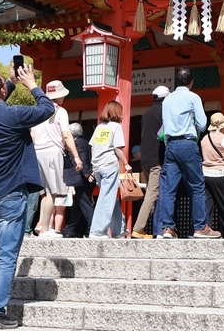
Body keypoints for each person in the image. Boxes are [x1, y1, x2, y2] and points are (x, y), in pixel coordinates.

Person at [0, 64, 56, 331]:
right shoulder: (14, 115)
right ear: (2, 91)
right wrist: (32, 84)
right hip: (10, 192)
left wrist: (10, 82)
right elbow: (47, 108)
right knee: (6, 255)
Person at [157, 66, 219, 239]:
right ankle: (200, 227)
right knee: (197, 186)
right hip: (187, 143)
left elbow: (165, 124)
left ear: (176, 81)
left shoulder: (167, 100)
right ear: (191, 81)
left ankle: (168, 228)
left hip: (170, 145)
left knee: (169, 189)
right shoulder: (193, 97)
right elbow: (202, 125)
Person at [31, 80, 83, 238]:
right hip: (53, 152)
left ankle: (42, 224)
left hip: (37, 152)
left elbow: (32, 134)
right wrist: (76, 156)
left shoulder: (38, 110)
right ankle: (45, 229)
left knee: (44, 192)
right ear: (59, 96)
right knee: (52, 192)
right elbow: (66, 135)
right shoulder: (61, 111)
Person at [89, 101, 131, 238]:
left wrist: (94, 166)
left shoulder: (99, 127)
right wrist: (126, 163)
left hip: (98, 166)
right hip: (110, 165)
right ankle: (97, 230)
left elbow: (92, 147)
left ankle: (119, 229)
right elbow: (117, 148)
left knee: (109, 196)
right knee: (106, 198)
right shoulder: (116, 127)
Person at [131, 85, 168, 239]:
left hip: (145, 157)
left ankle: (152, 229)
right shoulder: (164, 111)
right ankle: (138, 228)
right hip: (157, 157)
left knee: (152, 193)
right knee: (153, 193)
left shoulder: (146, 112)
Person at [62, 122, 96, 238]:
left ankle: (95, 228)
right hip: (85, 177)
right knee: (78, 205)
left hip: (82, 178)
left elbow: (83, 159)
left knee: (85, 203)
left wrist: (86, 173)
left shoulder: (77, 143)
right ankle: (69, 229)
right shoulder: (86, 142)